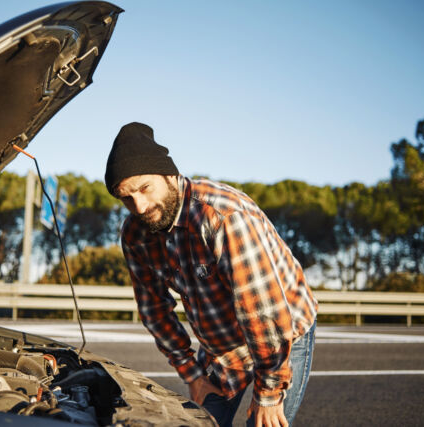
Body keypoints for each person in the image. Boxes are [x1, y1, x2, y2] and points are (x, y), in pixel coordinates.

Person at [105, 122, 318, 427]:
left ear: (170, 176)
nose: (139, 206)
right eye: (126, 198)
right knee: (202, 423)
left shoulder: (223, 218)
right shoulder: (135, 234)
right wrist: (191, 373)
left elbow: (262, 313)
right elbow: (154, 311)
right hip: (221, 346)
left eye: (144, 188)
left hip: (281, 330)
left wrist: (269, 392)